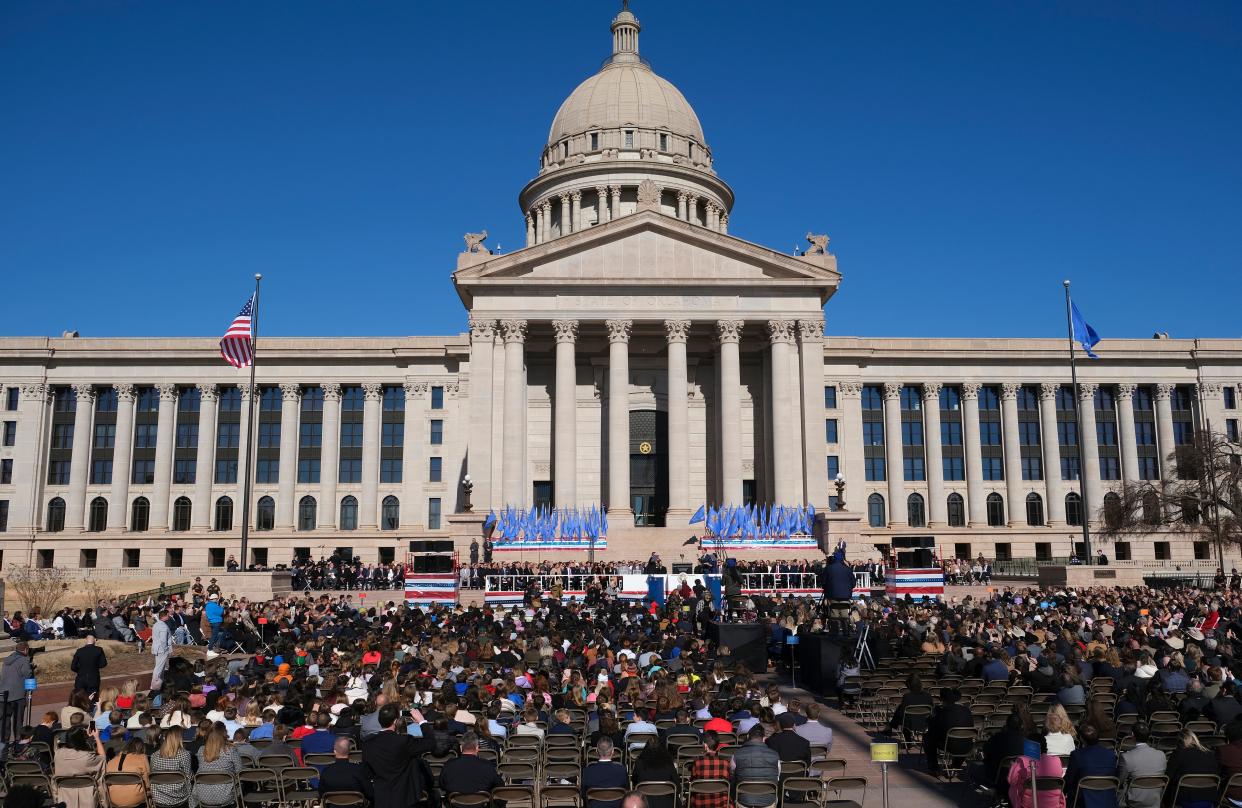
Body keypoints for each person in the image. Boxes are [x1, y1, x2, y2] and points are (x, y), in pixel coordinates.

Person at [362, 704, 437, 808]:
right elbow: (430, 743)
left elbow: (367, 772)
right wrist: (422, 721)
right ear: (395, 721)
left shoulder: (367, 744)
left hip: (382, 797)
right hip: (404, 798)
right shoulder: (404, 741)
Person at [1065, 725, 1117, 808]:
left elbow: (1069, 780)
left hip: (1083, 803)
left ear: (1081, 739)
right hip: (1108, 801)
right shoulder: (1111, 755)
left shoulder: (1077, 755)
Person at [924, 687, 972, 776]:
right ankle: (956, 766)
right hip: (967, 746)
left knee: (928, 738)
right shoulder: (966, 710)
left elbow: (934, 729)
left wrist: (932, 718)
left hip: (950, 745)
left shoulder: (942, 712)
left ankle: (934, 768)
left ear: (942, 700)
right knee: (961, 739)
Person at [53, 726, 105, 808]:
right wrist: (97, 738)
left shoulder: (58, 755)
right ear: (82, 740)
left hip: (64, 796)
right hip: (87, 797)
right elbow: (103, 758)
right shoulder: (87, 757)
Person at [1008, 735, 1066, 808]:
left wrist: (1013, 767)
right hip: (1054, 804)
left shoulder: (1022, 761)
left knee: (1013, 788)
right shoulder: (1056, 760)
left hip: (1028, 805)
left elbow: (1011, 780)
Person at [1119, 723, 1167, 808]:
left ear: (1132, 735)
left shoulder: (1127, 757)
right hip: (1155, 801)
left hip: (1133, 801)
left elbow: (1120, 781)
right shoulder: (1161, 755)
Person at [731, 724, 780, 807]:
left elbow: (732, 776)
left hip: (744, 801)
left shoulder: (736, 755)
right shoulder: (775, 755)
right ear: (764, 738)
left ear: (747, 737)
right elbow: (777, 777)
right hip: (768, 802)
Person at [1166, 730, 1218, 808]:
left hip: (1185, 799)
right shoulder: (1210, 753)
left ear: (1179, 742)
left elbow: (1168, 777)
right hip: (1209, 799)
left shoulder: (1179, 753)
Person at [440, 731, 502, 796]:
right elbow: (499, 785)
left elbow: (442, 784)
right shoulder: (487, 765)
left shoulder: (449, 765)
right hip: (481, 804)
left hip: (455, 803)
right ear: (477, 748)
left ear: (461, 748)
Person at [193, 728, 242, 807]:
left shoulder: (201, 750)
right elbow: (240, 771)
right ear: (223, 736)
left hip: (203, 795)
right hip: (225, 796)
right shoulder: (230, 750)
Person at [320, 735, 375, 801]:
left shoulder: (326, 771)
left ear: (334, 751)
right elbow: (370, 793)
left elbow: (322, 794)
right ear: (349, 751)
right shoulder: (359, 770)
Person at [1, 640, 34, 745]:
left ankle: (4, 742)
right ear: (25, 650)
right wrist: (31, 668)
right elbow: (27, 675)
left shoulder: (7, 660)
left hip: (3, 694)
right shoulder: (24, 660)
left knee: (4, 720)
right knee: (18, 720)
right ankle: (17, 741)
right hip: (18, 695)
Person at [582, 736, 630, 808]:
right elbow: (627, 791)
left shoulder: (587, 771)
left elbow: (583, 794)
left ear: (596, 751)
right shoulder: (622, 770)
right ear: (613, 751)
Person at [105, 737, 151, 808]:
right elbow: (147, 781)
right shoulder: (142, 757)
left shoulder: (111, 762)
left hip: (114, 798)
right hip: (135, 799)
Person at [632, 742, 678, 808]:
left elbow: (635, 783)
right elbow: (678, 788)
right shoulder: (669, 764)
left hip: (645, 803)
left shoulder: (639, 764)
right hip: (667, 804)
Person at [150, 608, 173, 690]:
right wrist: (166, 649)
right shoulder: (163, 626)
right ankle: (154, 686)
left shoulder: (156, 624)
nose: (169, 616)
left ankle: (159, 683)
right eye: (168, 615)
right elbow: (163, 640)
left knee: (160, 667)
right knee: (159, 668)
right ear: (165, 616)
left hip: (156, 648)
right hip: (161, 649)